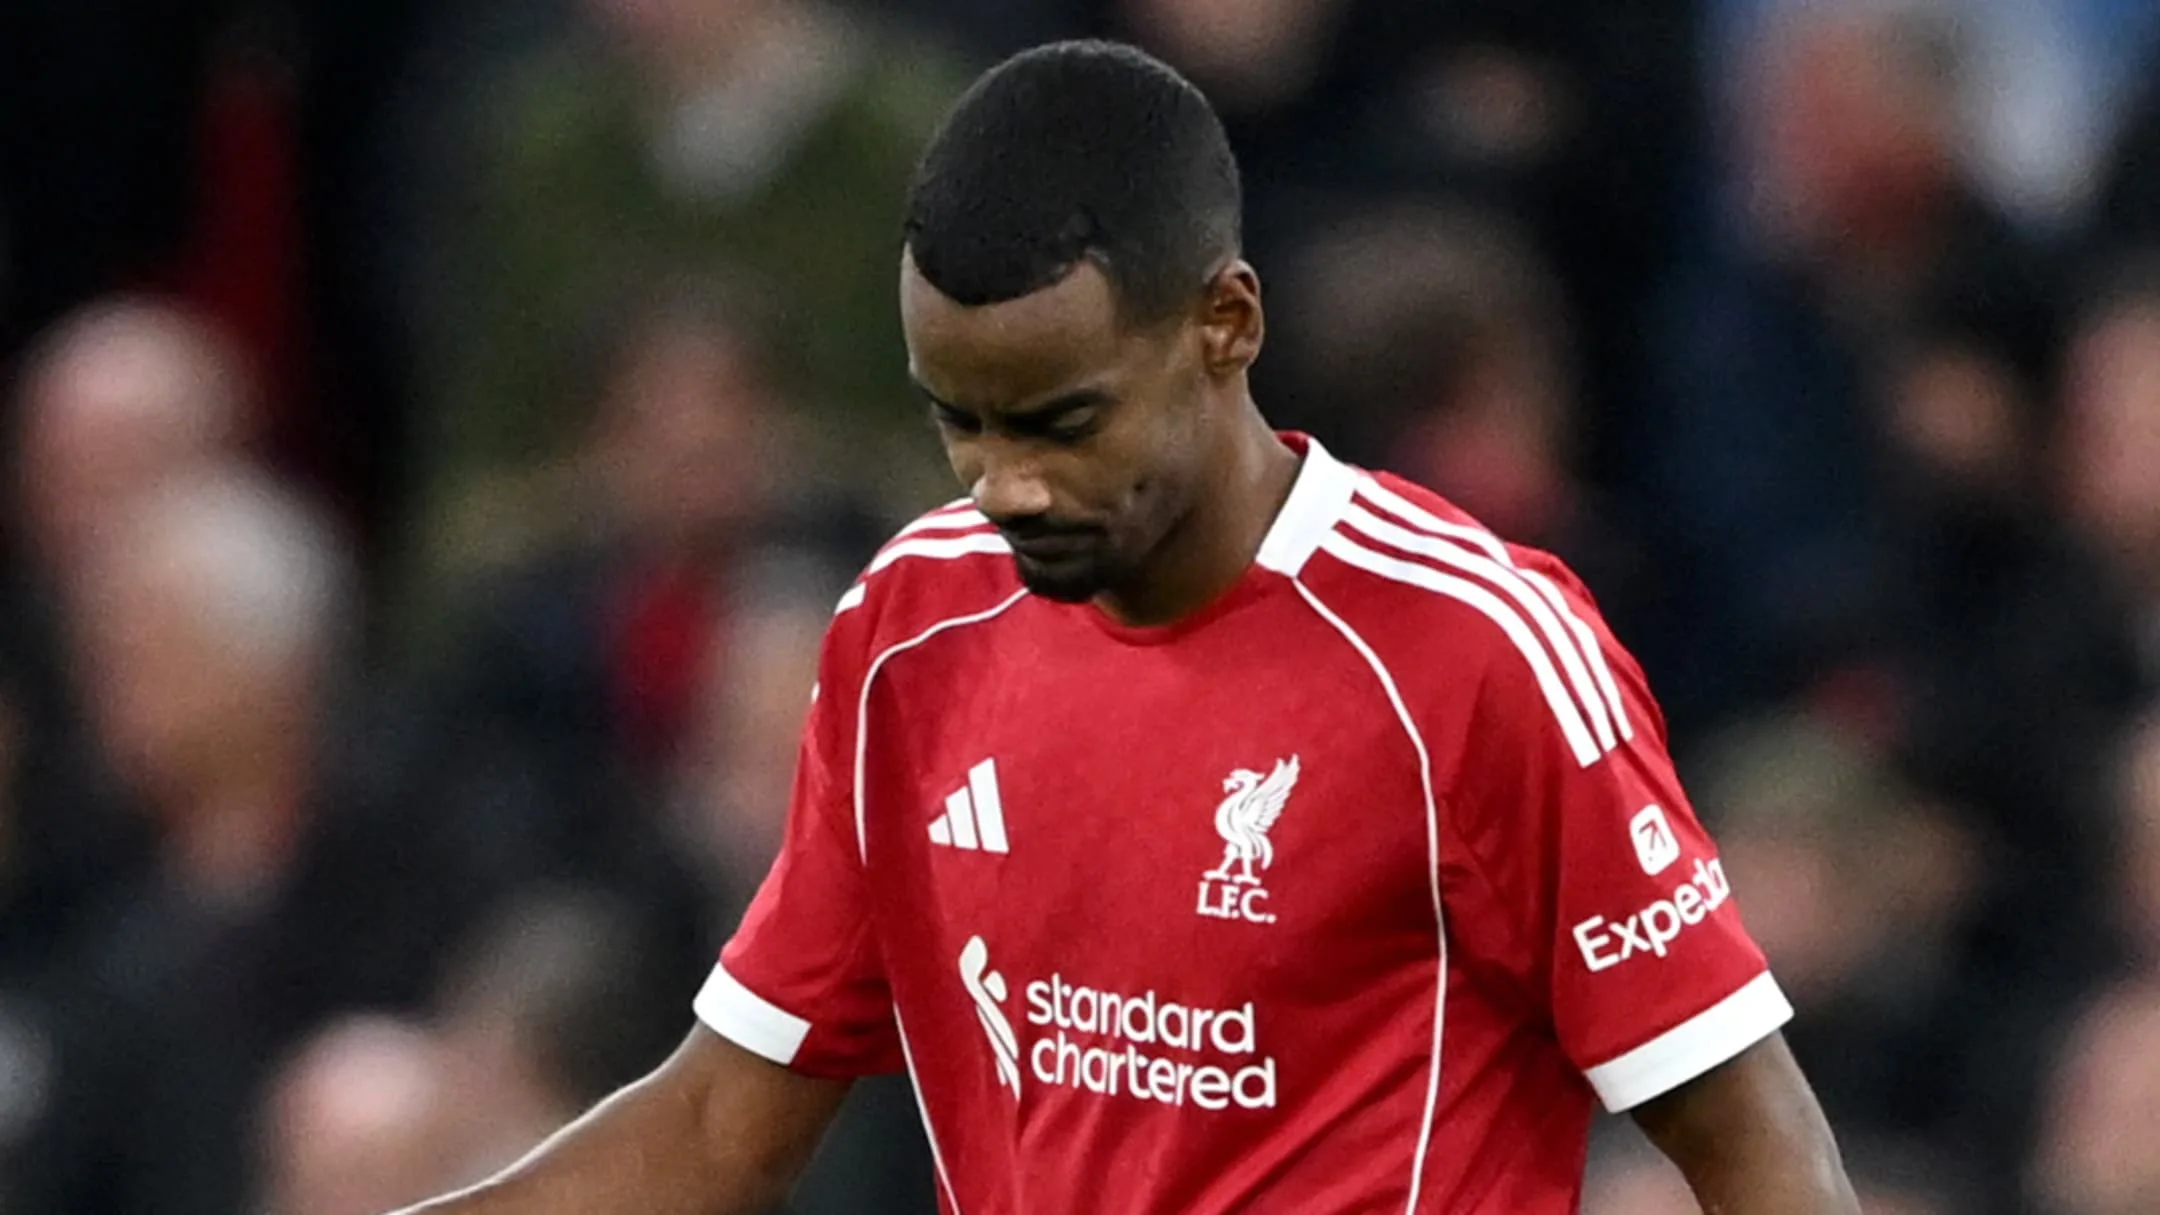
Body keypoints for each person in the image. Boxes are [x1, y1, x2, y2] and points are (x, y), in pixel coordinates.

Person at [394, 40, 1857, 1215]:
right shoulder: (912, 629)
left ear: (1226, 324)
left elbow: (1756, 1139)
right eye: (959, 421)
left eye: (1062, 421)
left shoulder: (1473, 652)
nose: (1005, 483)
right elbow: (721, 1126)